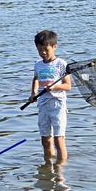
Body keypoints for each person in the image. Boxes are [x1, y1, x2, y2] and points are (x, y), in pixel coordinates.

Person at [28, 30, 72, 163]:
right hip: (43, 104)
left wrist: (55, 87)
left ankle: (60, 169)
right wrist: (33, 94)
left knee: (58, 139)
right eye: (39, 50)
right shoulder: (38, 64)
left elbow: (68, 86)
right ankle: (48, 166)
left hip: (57, 104)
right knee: (45, 140)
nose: (43, 53)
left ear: (54, 47)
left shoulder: (61, 64)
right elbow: (36, 79)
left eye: (46, 49)